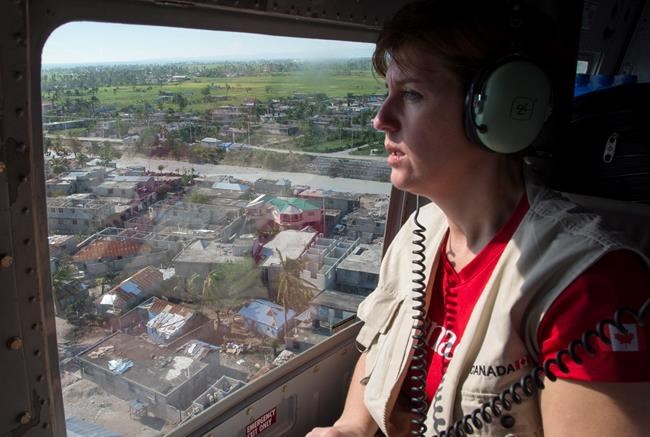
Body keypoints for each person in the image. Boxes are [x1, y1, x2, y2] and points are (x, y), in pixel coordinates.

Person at [307, 1, 650, 436]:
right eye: (388, 93)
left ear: (501, 109)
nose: (381, 119)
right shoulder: (417, 235)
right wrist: (350, 428)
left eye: (411, 94)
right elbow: (379, 348)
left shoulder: (589, 285)